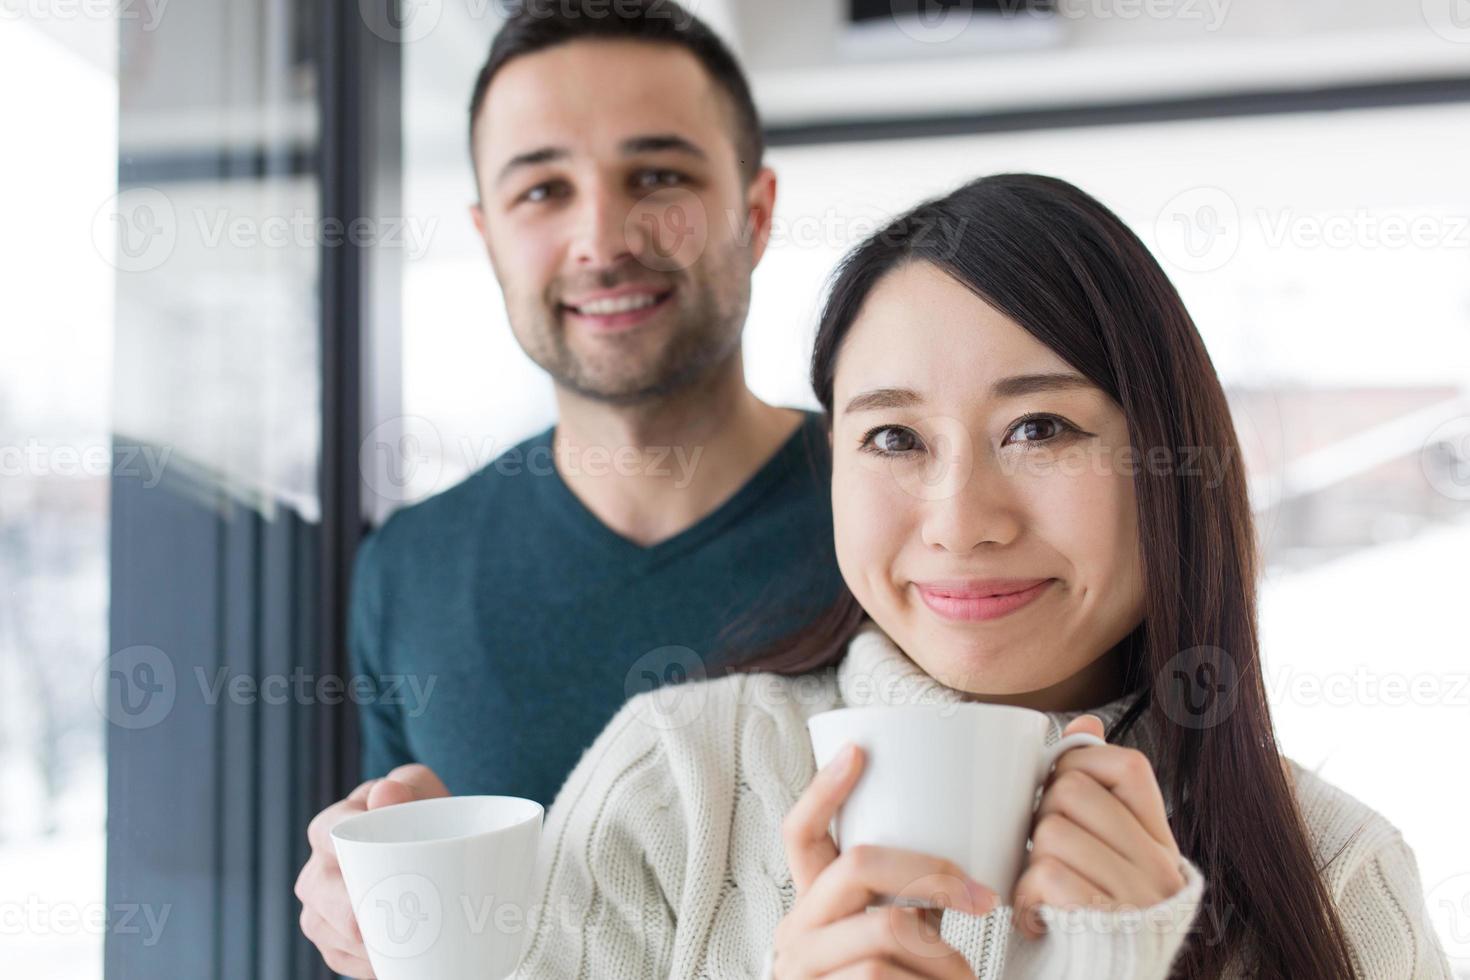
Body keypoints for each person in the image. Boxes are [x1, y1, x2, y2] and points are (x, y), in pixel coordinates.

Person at [510, 174, 1455, 979]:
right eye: (893, 438)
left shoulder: (1343, 878)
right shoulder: (680, 781)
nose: (962, 522)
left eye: (1039, 430)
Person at [295, 2, 845, 975]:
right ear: (489, 236)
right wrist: (359, 912)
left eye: (659, 176)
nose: (601, 237)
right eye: (543, 189)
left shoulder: (909, 516)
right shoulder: (408, 570)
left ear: (755, 214)